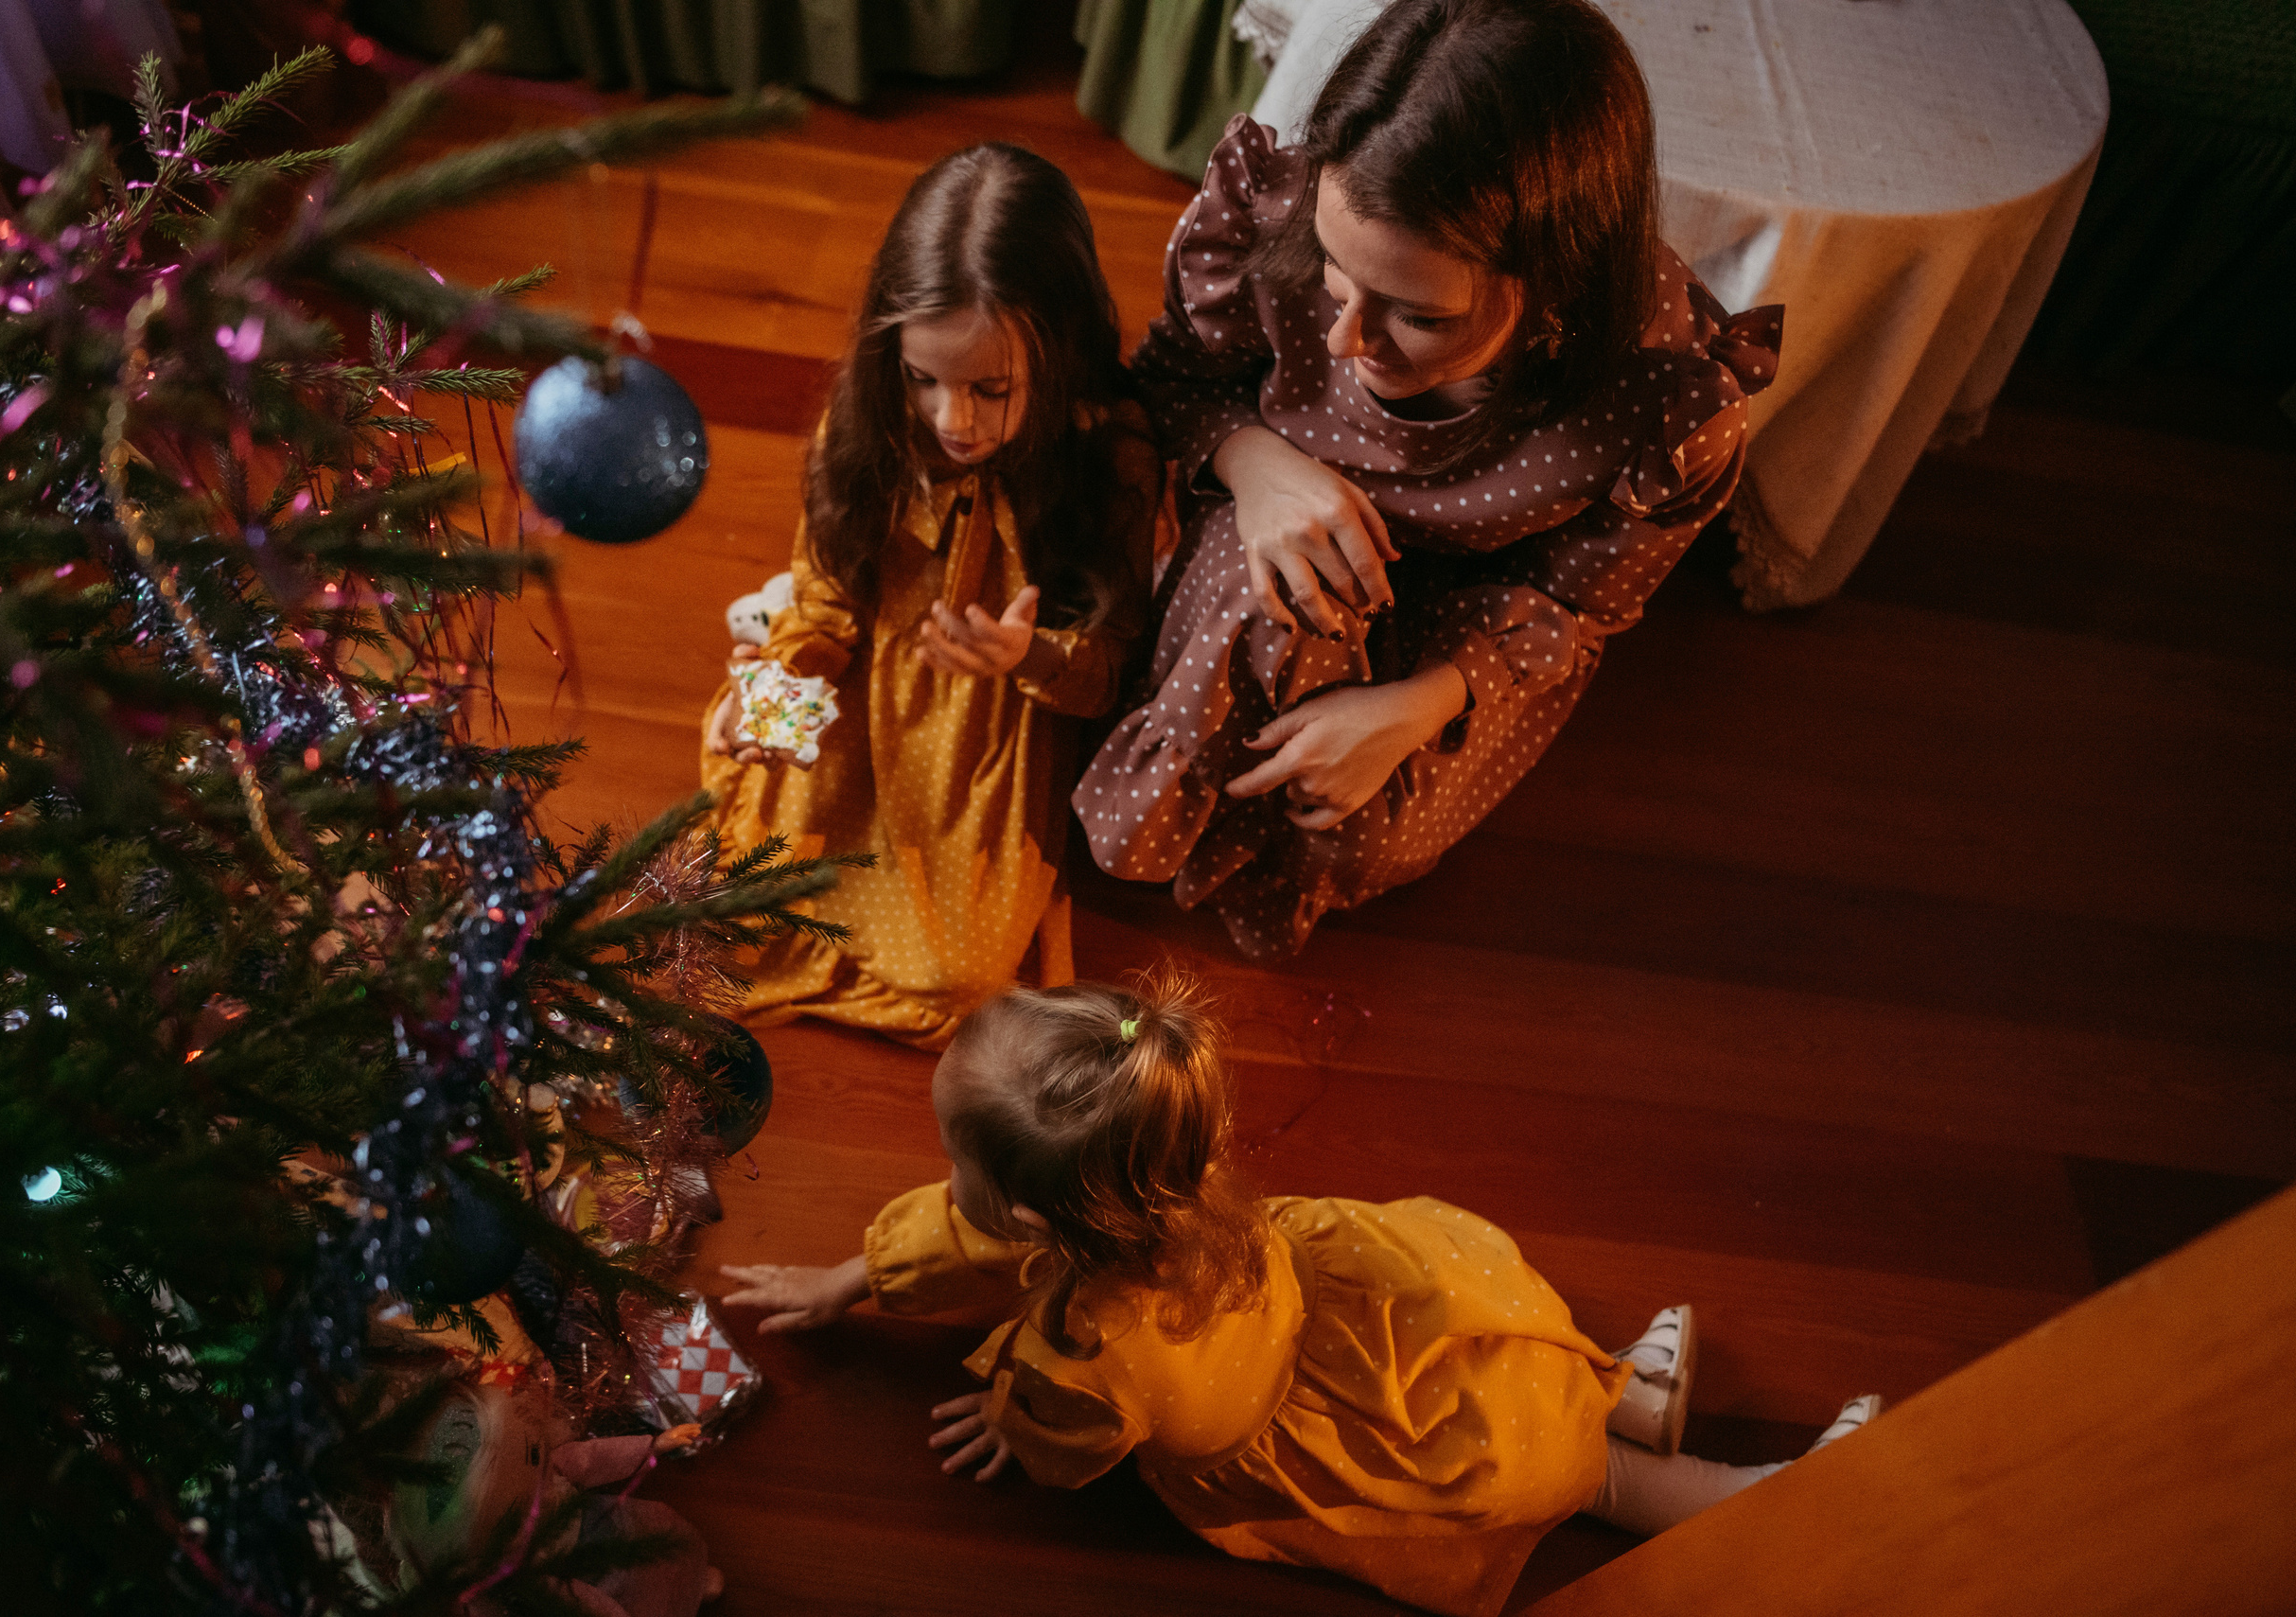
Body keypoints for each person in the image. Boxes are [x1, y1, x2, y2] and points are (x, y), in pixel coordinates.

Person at [720, 976, 1879, 1616]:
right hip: (1366, 1314)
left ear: (1031, 1220)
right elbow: (964, 1226)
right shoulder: (1156, 1160)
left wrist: (1014, 1420)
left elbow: (1073, 1446)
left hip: (1346, 1435)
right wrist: (848, 1279)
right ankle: (1626, 1390)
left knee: (1563, 1468)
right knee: (1504, 1349)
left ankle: (1754, 1492)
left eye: (957, 1159)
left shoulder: (1087, 1349)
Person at [1073, 0, 1782, 959]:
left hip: (1475, 616)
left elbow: (1578, 603)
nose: (1342, 339)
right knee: (1262, 616)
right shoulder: (1270, 207)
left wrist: (1421, 703)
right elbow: (1175, 378)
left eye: (1416, 316)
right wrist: (1260, 465)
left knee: (1352, 830)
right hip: (1272, 518)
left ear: (1556, 283)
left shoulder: (1668, 401)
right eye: (1330, 275)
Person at [701, 144, 1163, 1047]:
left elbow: (1107, 669)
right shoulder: (870, 420)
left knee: (958, 976)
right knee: (737, 889)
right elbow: (829, 605)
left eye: (991, 390)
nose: (953, 419)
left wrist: (1025, 654)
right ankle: (756, 644)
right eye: (924, 380)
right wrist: (775, 693)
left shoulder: (1109, 452)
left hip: (989, 727)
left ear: (1057, 356)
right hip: (863, 678)